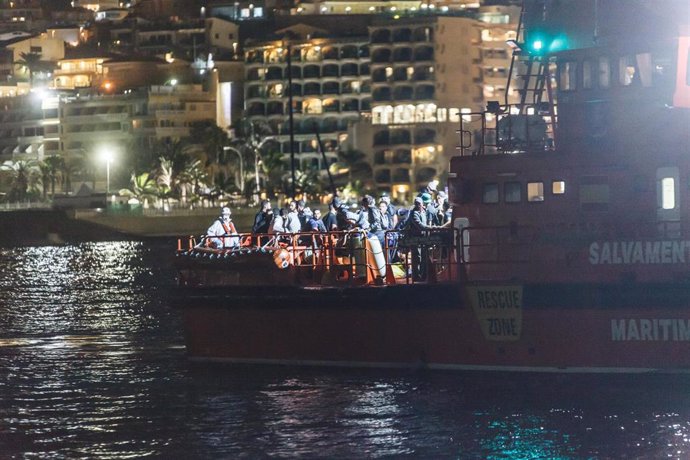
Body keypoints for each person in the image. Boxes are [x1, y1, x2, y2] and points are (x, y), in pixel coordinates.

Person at [409, 196, 435, 281]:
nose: (418, 205)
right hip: (416, 238)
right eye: (416, 204)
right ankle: (416, 277)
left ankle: (422, 275)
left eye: (419, 204)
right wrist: (430, 228)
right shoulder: (414, 213)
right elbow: (419, 225)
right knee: (417, 257)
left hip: (423, 238)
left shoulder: (423, 211)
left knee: (423, 257)